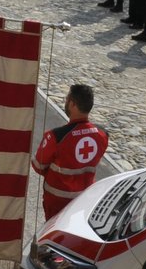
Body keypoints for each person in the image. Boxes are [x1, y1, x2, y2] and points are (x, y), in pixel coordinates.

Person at [31, 84, 108, 220]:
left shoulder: (56, 137)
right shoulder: (102, 135)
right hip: (84, 200)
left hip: (57, 202)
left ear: (72, 104)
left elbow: (38, 166)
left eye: (67, 99)